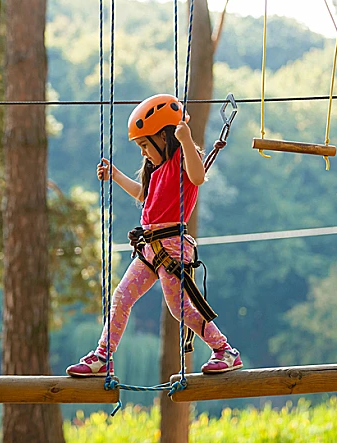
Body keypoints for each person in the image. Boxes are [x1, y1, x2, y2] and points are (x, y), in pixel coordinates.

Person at [67, 94, 242, 377]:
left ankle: (225, 350)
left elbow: (198, 177)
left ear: (164, 136)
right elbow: (143, 195)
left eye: (145, 144)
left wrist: (185, 139)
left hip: (171, 247)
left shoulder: (183, 160)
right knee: (121, 296)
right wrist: (115, 175)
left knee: (180, 308)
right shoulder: (158, 171)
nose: (143, 152)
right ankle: (103, 356)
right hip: (150, 248)